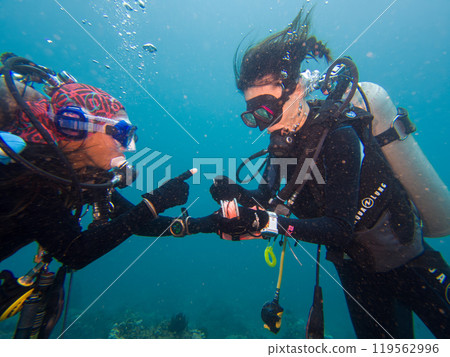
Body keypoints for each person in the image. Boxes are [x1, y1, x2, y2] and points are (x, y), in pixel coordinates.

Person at [206, 9, 450, 339]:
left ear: (295, 90)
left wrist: (268, 223)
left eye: (265, 108)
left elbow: (338, 228)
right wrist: (235, 194)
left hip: (409, 262)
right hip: (357, 274)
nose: (262, 122)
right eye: (252, 115)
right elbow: (265, 200)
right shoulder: (282, 147)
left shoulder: (338, 136)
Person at [0, 53, 199, 336]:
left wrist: (208, 224)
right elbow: (76, 252)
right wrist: (155, 203)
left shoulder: (83, 177)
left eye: (130, 137)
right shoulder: (27, 171)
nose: (127, 147)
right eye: (121, 134)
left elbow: (135, 221)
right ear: (79, 125)